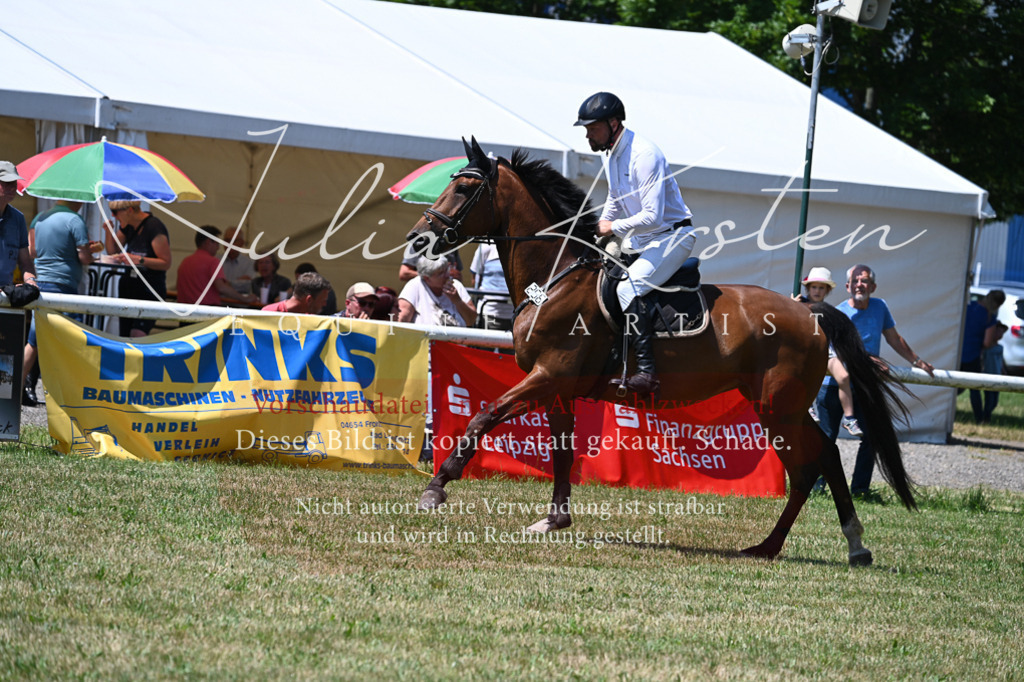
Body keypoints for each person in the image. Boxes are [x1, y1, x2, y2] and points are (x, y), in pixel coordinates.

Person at [576, 92, 697, 400]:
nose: (588, 134)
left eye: (593, 128)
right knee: (596, 276)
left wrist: (611, 228)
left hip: (672, 237)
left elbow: (653, 216)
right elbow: (614, 203)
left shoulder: (645, 154)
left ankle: (646, 372)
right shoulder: (612, 153)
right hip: (641, 239)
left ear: (613, 123)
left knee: (627, 289)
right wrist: (597, 231)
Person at [815, 264, 935, 496]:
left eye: (866, 280)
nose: (861, 285)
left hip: (864, 386)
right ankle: (816, 487)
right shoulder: (839, 312)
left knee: (871, 439)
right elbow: (838, 353)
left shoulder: (880, 307)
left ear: (873, 286)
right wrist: (871, 360)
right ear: (848, 286)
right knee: (826, 439)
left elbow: (894, 338)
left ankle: (860, 490)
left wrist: (917, 361)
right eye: (856, 281)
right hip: (833, 386)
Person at [22, 199, 89, 406]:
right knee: (73, 339)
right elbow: (84, 256)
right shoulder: (75, 220)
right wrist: (91, 252)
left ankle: (13, 385)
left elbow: (32, 252)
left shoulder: (39, 218)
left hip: (42, 285)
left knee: (33, 341)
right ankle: (73, 392)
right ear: (76, 200)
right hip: (64, 287)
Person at [798, 267, 862, 437]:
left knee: (844, 377)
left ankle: (849, 418)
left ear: (827, 290)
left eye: (821, 288)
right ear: (808, 288)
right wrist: (793, 304)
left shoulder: (829, 310)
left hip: (827, 351)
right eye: (814, 287)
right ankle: (808, 408)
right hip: (806, 351)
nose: (817, 291)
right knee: (808, 372)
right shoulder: (798, 305)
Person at [104, 200, 171, 337]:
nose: (113, 215)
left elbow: (166, 262)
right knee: (125, 334)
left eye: (115, 212)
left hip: (149, 288)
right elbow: (113, 252)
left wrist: (139, 260)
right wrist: (108, 233)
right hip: (130, 286)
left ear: (129, 210)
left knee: (137, 334)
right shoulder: (128, 226)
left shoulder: (154, 227)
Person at [176, 226, 258, 307]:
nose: (218, 247)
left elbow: (179, 287)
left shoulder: (185, 261)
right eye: (217, 243)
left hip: (185, 312)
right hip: (206, 312)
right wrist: (244, 298)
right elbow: (221, 288)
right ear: (208, 242)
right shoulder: (213, 261)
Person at [959, 289, 1005, 423]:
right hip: (973, 356)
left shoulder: (969, 306)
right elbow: (986, 342)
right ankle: (981, 419)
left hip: (957, 353)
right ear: (998, 305)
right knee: (975, 389)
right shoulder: (989, 317)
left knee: (953, 387)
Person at [397, 255, 475, 327]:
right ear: (427, 278)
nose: (447, 275)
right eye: (441, 273)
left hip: (456, 340)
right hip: (426, 340)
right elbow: (401, 319)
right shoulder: (415, 286)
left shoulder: (456, 285)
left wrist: (457, 301)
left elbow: (471, 320)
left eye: (446, 270)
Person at [470, 243, 513, 331]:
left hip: (515, 315)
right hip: (489, 313)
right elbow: (475, 280)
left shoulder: (521, 246)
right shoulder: (485, 246)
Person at [261, 272, 331, 314]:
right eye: (323, 301)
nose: (325, 304)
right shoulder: (269, 313)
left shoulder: (312, 319)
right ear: (309, 300)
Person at [980, 321, 1008, 423]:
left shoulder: (1000, 348)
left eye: (1002, 333)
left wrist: (1003, 370)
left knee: (995, 401)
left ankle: (987, 416)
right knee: (989, 400)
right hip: (988, 376)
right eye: (998, 331)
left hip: (998, 377)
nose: (1000, 335)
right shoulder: (986, 348)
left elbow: (1000, 362)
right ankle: (985, 418)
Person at [220, 227, 255, 296]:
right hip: (218, 303)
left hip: (240, 304)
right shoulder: (216, 261)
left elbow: (248, 286)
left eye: (234, 241)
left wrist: (226, 284)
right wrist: (238, 282)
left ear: (242, 243)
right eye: (227, 240)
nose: (229, 244)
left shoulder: (250, 263)